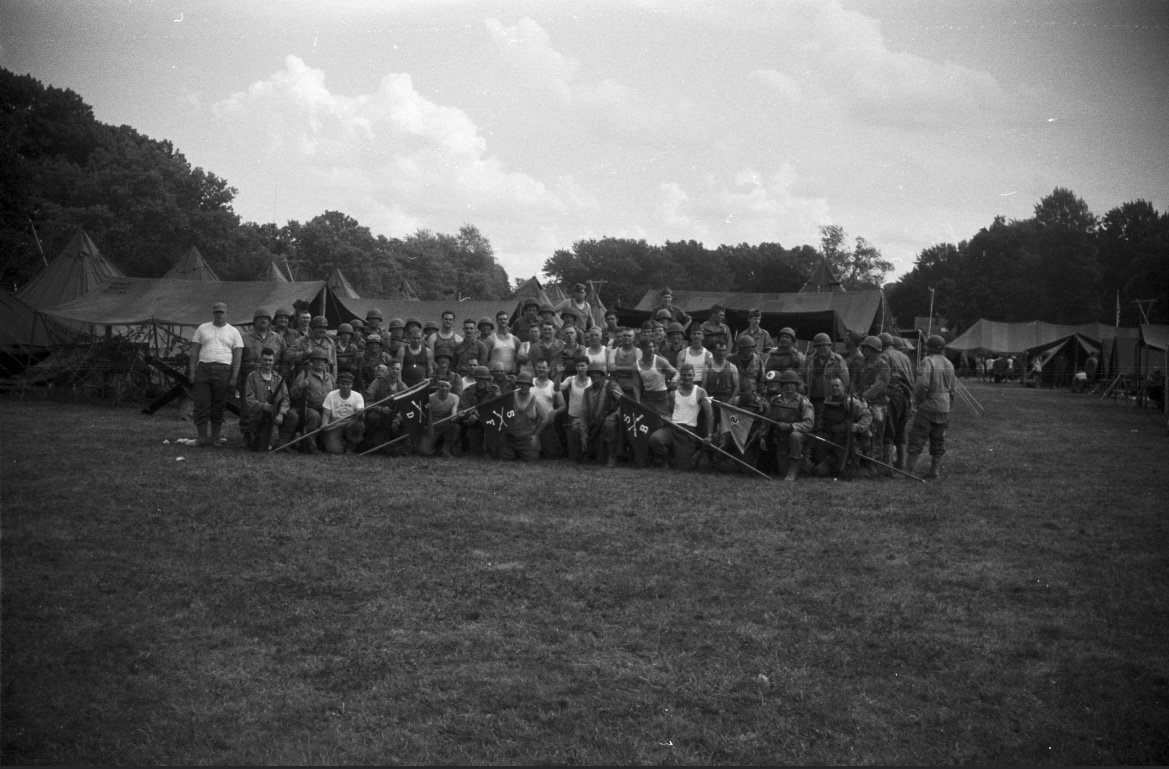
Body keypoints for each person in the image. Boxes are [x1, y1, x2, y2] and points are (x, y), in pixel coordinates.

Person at [188, 301, 243, 447]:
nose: (219, 315)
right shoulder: (202, 328)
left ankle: (215, 437)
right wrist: (192, 372)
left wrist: (234, 377)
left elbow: (237, 356)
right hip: (204, 369)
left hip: (224, 370)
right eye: (216, 312)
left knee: (219, 404)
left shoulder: (234, 332)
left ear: (226, 314)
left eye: (221, 312)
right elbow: (194, 351)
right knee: (201, 403)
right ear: (213, 313)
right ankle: (202, 437)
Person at [905, 334, 956, 480]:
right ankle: (935, 471)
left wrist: (917, 401)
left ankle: (909, 470)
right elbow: (953, 389)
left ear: (930, 347)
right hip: (944, 407)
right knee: (938, 439)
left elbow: (922, 384)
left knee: (917, 436)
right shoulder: (949, 364)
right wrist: (949, 404)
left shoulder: (928, 361)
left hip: (928, 406)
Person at [648, 363, 713, 471]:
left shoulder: (701, 392)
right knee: (655, 439)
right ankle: (665, 460)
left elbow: (709, 415)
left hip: (688, 431)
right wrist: (667, 418)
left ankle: (697, 452)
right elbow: (669, 412)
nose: (687, 378)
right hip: (673, 427)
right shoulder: (673, 393)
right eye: (684, 375)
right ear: (681, 376)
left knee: (684, 468)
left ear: (694, 376)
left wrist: (709, 435)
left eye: (689, 375)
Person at [237, 306, 286, 445]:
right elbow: (238, 359)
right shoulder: (244, 338)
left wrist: (281, 376)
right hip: (250, 378)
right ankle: (248, 434)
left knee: (270, 406)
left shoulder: (278, 338)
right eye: (260, 318)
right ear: (254, 321)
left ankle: (266, 434)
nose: (263, 321)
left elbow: (284, 359)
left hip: (271, 377)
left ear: (270, 321)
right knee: (248, 407)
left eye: (266, 318)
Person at [811, 376, 872, 479]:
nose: (835, 388)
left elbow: (867, 416)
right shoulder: (827, 403)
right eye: (832, 386)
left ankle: (864, 470)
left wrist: (858, 426)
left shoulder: (850, 402)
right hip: (832, 443)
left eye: (837, 386)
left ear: (843, 387)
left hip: (850, 443)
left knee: (847, 474)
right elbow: (821, 423)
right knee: (820, 471)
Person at [761, 369, 814, 481]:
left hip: (798, 439)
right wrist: (763, 436)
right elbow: (766, 420)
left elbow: (809, 423)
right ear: (782, 385)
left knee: (795, 436)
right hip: (780, 439)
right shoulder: (775, 400)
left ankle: (794, 469)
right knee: (782, 471)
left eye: (791, 383)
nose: (788, 386)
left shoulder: (803, 402)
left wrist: (791, 426)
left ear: (796, 385)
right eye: (786, 384)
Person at [286, 348, 336, 454]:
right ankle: (311, 446)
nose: (319, 362)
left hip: (326, 409)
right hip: (308, 408)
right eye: (316, 360)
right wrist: (300, 386)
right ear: (311, 362)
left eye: (322, 360)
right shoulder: (304, 375)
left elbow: (335, 394)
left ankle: (326, 444)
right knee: (315, 416)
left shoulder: (330, 377)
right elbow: (292, 394)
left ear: (325, 362)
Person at [880, 332, 916, 470]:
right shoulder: (905, 357)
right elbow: (912, 378)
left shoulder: (884, 356)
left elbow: (884, 380)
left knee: (888, 432)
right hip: (906, 397)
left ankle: (887, 466)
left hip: (892, 397)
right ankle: (901, 464)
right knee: (900, 433)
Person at [577, 363, 624, 467]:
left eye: (597, 374)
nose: (594, 377)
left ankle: (612, 456)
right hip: (595, 423)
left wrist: (616, 414)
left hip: (611, 420)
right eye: (592, 375)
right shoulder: (587, 391)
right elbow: (583, 413)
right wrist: (584, 434)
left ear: (603, 375)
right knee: (577, 426)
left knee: (609, 423)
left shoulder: (612, 386)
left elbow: (623, 403)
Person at [495, 372, 549, 461]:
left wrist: (536, 435)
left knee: (531, 459)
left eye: (526, 384)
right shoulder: (510, 398)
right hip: (510, 437)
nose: (523, 386)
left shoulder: (536, 400)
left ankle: (523, 451)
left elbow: (546, 419)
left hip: (527, 438)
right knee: (503, 457)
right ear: (517, 384)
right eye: (521, 384)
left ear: (530, 386)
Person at [242, 347, 289, 452]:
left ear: (274, 361)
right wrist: (263, 406)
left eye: (270, 360)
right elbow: (249, 399)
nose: (268, 363)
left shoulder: (279, 379)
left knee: (292, 417)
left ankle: (282, 443)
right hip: (259, 416)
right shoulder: (252, 377)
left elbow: (286, 398)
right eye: (265, 360)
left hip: (275, 415)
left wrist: (281, 413)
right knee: (260, 447)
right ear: (260, 360)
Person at [857, 335, 891, 473]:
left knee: (876, 432)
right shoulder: (861, 364)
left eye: (867, 348)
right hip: (862, 402)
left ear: (874, 350)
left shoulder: (883, 365)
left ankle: (874, 465)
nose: (864, 350)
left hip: (877, 404)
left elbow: (880, 385)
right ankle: (862, 462)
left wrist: (865, 395)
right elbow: (856, 382)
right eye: (864, 348)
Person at [801, 332, 849, 421]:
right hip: (812, 400)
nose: (822, 348)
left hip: (830, 402)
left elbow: (845, 383)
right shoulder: (810, 360)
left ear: (830, 346)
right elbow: (802, 377)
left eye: (824, 345)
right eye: (819, 346)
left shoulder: (838, 360)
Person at [458, 365, 503, 456]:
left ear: (488, 380)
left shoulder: (494, 390)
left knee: (495, 451)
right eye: (479, 379)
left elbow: (498, 406)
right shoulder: (467, 391)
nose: (482, 381)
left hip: (490, 421)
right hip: (474, 423)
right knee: (475, 451)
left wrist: (478, 414)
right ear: (475, 379)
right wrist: (472, 414)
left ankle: (492, 445)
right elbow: (463, 409)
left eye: (485, 379)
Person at [320, 371, 366, 455]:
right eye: (343, 384)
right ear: (338, 384)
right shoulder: (331, 395)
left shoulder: (358, 396)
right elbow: (326, 413)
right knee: (334, 450)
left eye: (348, 384)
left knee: (359, 425)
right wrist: (324, 423)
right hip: (335, 424)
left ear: (352, 385)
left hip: (350, 425)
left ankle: (351, 446)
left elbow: (360, 415)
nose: (345, 386)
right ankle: (340, 443)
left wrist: (360, 413)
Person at [559, 355, 592, 461]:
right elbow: (558, 388)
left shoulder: (592, 380)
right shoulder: (570, 379)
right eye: (578, 366)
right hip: (573, 415)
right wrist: (559, 374)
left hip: (588, 416)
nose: (580, 368)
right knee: (574, 455)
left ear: (588, 366)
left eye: (582, 365)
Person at [531, 360, 565, 458]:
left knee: (553, 454)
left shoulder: (553, 385)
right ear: (535, 368)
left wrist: (555, 411)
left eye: (544, 367)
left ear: (548, 369)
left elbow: (563, 406)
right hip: (530, 422)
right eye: (539, 367)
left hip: (546, 423)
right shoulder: (529, 382)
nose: (541, 370)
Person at [635, 338, 678, 417]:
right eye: (648, 347)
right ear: (642, 349)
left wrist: (674, 380)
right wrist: (638, 401)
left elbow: (676, 372)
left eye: (652, 347)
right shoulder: (637, 364)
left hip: (660, 396)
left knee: (659, 421)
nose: (652, 349)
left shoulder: (660, 360)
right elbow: (636, 385)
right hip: (646, 396)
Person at [421, 378, 461, 457]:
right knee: (424, 452)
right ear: (438, 386)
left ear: (450, 387)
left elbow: (453, 416)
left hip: (446, 425)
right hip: (432, 426)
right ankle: (434, 448)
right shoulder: (430, 398)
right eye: (442, 386)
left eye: (447, 386)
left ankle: (446, 449)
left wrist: (458, 416)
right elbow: (426, 415)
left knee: (455, 427)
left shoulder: (455, 398)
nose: (444, 388)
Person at [733, 334, 765, 410]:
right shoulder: (731, 359)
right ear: (740, 348)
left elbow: (761, 381)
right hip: (735, 397)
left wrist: (759, 397)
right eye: (747, 348)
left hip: (753, 397)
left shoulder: (758, 361)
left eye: (752, 347)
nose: (750, 350)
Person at [609, 327, 642, 400]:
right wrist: (630, 368)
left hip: (634, 391)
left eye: (629, 336)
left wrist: (618, 368)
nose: (626, 337)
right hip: (618, 390)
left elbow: (637, 368)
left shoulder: (638, 351)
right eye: (624, 335)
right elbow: (611, 368)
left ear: (634, 338)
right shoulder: (614, 352)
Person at [396, 322, 433, 387]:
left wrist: (429, 383)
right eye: (414, 338)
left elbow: (430, 369)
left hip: (422, 385)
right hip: (406, 385)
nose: (416, 341)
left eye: (418, 338)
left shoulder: (427, 352)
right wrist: (400, 383)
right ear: (409, 338)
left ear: (422, 338)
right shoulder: (402, 351)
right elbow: (398, 369)